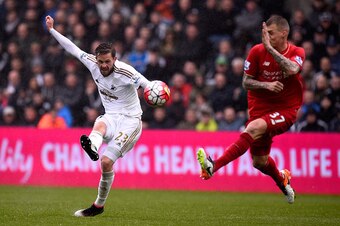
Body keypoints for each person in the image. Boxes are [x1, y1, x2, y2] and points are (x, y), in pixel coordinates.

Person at [45, 15, 152, 217]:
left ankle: (98, 205)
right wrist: (52, 30)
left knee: (105, 163)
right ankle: (92, 146)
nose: (103, 65)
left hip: (130, 121)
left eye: (107, 62)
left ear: (115, 60)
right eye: (101, 61)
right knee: (99, 126)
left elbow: (148, 85)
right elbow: (72, 48)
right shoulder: (92, 63)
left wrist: (156, 89)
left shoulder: (126, 72)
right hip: (111, 115)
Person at [197, 15, 305, 204]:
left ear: (284, 33)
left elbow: (293, 69)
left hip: (286, 109)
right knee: (259, 162)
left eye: (271, 33)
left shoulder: (297, 51)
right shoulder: (256, 51)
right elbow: (246, 82)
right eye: (265, 33)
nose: (267, 37)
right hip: (260, 108)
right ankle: (283, 180)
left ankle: (213, 166)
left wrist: (271, 50)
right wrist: (266, 85)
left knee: (253, 128)